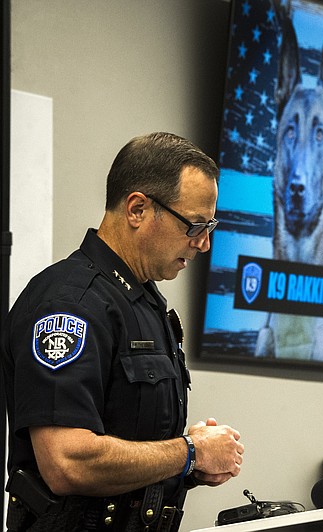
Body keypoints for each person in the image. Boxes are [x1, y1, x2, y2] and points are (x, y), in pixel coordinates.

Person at [1, 132, 244, 531]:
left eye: (210, 225)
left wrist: (191, 464)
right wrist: (190, 452)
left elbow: (130, 444)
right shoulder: (70, 304)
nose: (204, 244)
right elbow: (67, 462)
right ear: (137, 209)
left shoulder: (142, 303)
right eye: (195, 225)